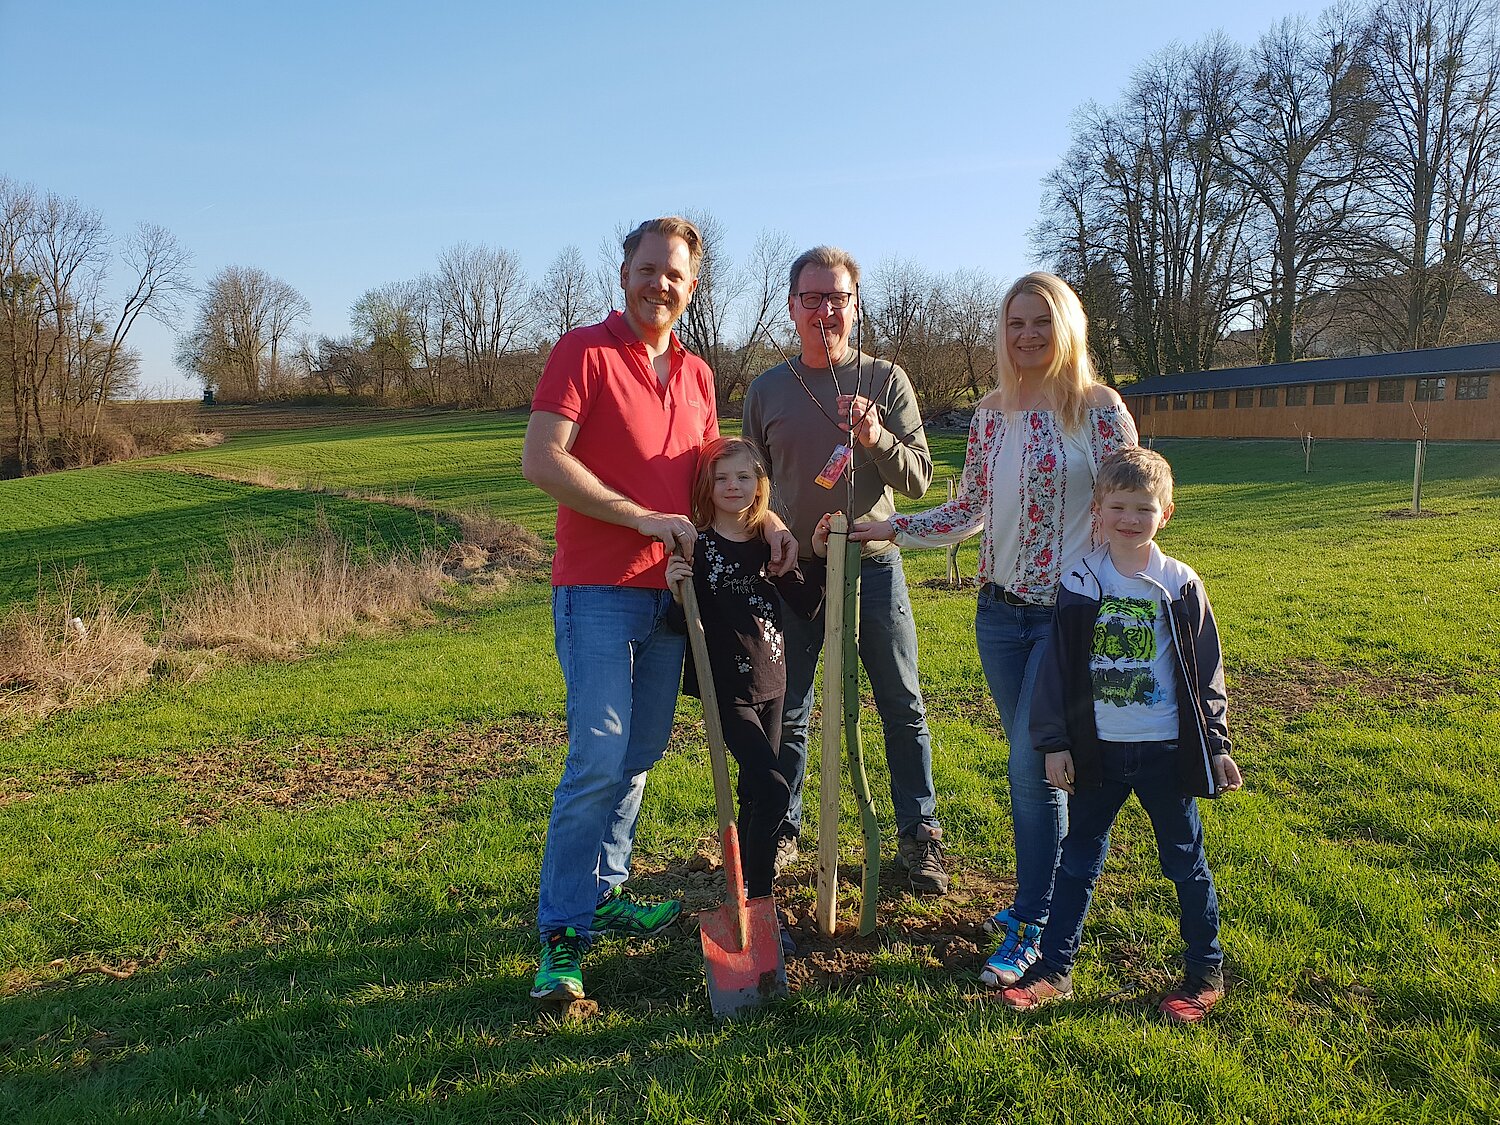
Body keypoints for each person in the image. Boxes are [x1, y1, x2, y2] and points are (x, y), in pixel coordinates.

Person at [521, 216, 794, 1002]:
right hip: (600, 590)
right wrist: (637, 516)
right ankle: (563, 935)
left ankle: (605, 892)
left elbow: (720, 473)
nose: (659, 284)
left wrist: (767, 514)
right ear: (625, 272)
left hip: (678, 598)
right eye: (648, 269)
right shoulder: (584, 351)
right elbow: (542, 456)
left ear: (691, 288)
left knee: (639, 754)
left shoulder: (700, 374)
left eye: (674, 275)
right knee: (598, 757)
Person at [852, 271, 1137, 980]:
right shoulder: (991, 414)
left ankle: (1036, 922)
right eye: (1016, 324)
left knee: (1029, 765)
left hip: (1068, 617)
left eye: (1041, 321)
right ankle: (1041, 902)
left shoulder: (1098, 411)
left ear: (1066, 324)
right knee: (1040, 765)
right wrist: (891, 527)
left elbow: (1133, 506)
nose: (1028, 335)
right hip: (999, 614)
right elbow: (970, 509)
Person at [996, 447, 1243, 1022]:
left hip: (1164, 751)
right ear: (1098, 510)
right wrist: (1055, 743)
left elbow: (1206, 671)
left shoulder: (1179, 584)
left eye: (1144, 508)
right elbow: (1057, 669)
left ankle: (1205, 971)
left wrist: (1216, 744)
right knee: (1077, 860)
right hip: (1096, 751)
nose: (1131, 519)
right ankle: (1055, 969)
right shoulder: (1080, 580)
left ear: (1167, 513)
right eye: (1119, 507)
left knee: (1185, 861)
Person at [742, 245, 949, 895]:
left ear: (855, 307)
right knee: (790, 707)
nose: (825, 311)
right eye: (813, 298)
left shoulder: (886, 379)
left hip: (873, 567)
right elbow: (747, 488)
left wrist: (874, 436)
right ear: (792, 306)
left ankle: (920, 834)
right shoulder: (767, 390)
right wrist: (767, 533)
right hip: (794, 574)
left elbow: (918, 481)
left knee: (901, 703)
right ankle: (782, 830)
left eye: (838, 299)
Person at [665, 438, 828, 951]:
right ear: (706, 488)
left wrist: (815, 557)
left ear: (760, 484)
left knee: (758, 796)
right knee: (776, 789)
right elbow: (680, 625)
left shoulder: (770, 544)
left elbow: (807, 606)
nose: (733, 487)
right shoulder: (700, 548)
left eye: (743, 477)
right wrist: (676, 589)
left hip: (773, 683)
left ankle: (755, 903)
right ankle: (760, 904)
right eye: (721, 479)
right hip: (726, 690)